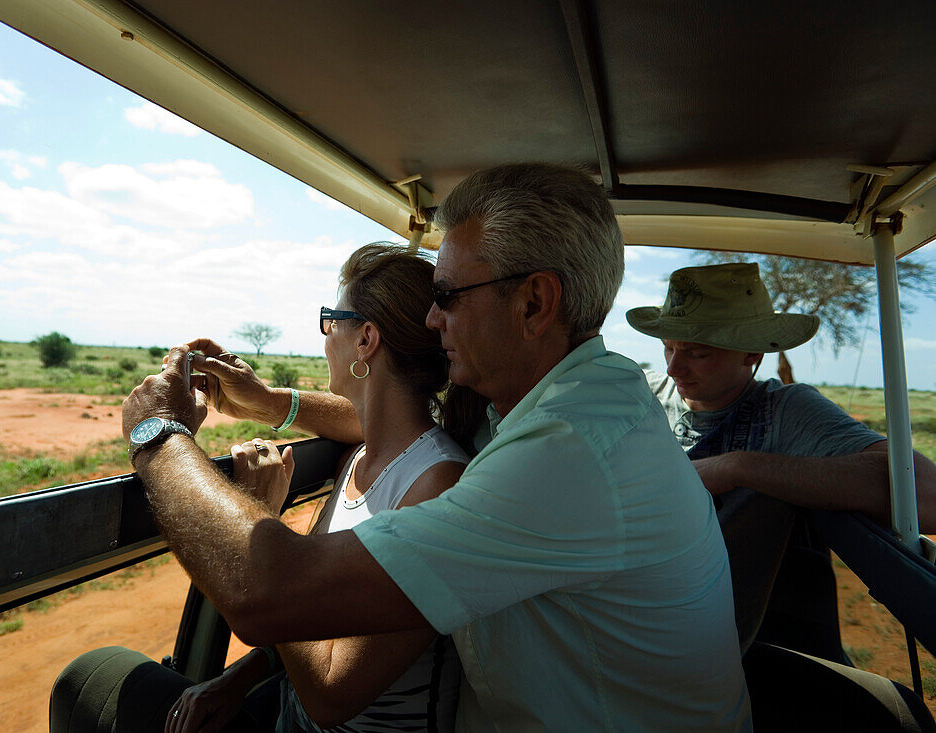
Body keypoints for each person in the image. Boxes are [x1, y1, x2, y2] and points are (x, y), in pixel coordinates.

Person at [110, 163, 750, 730]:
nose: (433, 319)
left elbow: (270, 596)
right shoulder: (556, 410)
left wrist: (157, 435)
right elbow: (393, 427)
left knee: (98, 683)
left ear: (534, 302)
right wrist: (275, 404)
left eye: (448, 297)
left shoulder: (564, 455)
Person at [52, 244, 473, 732]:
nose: (324, 337)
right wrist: (238, 678)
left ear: (366, 340)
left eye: (329, 319)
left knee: (87, 681)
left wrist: (264, 522)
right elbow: (327, 617)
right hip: (286, 713)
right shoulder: (364, 455)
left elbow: (332, 694)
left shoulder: (437, 486)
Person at [626, 262, 936, 653]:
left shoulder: (784, 411)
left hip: (713, 643)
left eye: (697, 353)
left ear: (751, 352)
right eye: (668, 347)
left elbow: (925, 495)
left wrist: (739, 467)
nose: (673, 368)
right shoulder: (637, 395)